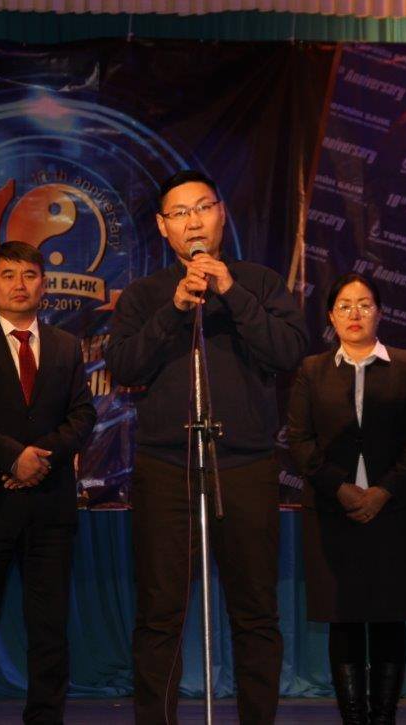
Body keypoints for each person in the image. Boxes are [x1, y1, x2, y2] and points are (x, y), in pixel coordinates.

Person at [107, 169, 308, 725]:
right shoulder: (146, 295)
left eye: (202, 208)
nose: (193, 221)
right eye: (179, 213)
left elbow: (289, 352)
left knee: (255, 611)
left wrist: (231, 292)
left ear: (221, 214)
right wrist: (174, 308)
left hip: (243, 464)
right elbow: (124, 366)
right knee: (160, 612)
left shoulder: (260, 283)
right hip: (167, 466)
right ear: (162, 226)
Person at [0, 240, 96, 725]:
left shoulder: (66, 345)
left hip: (48, 507)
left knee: (49, 627)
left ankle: (45, 716)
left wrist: (38, 460)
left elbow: (83, 415)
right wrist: (13, 458)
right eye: (8, 275)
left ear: (43, 285)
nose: (19, 285)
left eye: (29, 275)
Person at [287, 272, 406, 724]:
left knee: (389, 616)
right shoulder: (312, 371)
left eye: (365, 304)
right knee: (344, 616)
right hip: (332, 512)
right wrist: (342, 489)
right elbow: (301, 442)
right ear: (331, 316)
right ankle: (353, 717)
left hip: (393, 512)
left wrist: (383, 491)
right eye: (345, 305)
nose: (355, 313)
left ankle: (383, 716)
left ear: (380, 313)